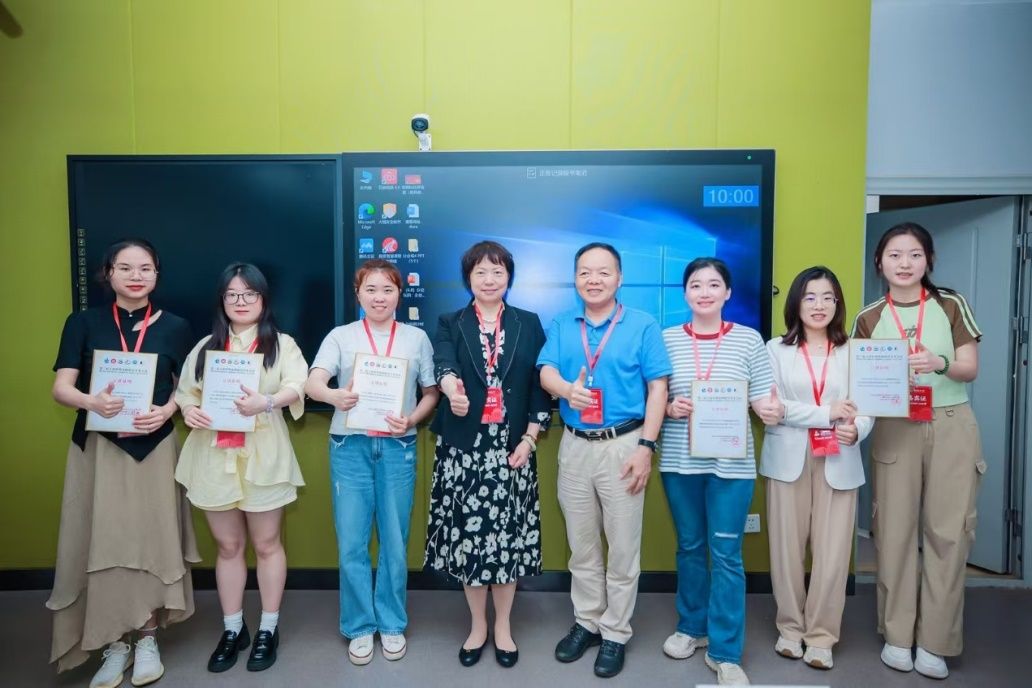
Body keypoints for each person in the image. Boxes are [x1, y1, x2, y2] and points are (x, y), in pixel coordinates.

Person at [48, 238, 198, 688]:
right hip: (100, 449)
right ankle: (113, 642)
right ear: (108, 273)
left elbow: (187, 389)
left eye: (145, 268)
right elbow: (62, 388)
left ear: (156, 275)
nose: (136, 276)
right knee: (104, 540)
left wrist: (167, 411)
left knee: (152, 540)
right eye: (126, 267)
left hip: (155, 448)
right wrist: (90, 401)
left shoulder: (177, 326)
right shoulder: (82, 322)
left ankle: (148, 637)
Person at [852, 222, 983, 680]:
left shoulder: (950, 304)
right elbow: (860, 380)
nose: (904, 263)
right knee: (894, 530)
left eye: (914, 254)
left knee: (949, 533)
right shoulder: (869, 317)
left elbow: (969, 367)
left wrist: (938, 363)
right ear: (879, 263)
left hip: (950, 422)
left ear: (928, 260)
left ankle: (935, 642)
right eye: (894, 255)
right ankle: (897, 635)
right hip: (895, 426)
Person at [538, 242, 670, 679]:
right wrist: (566, 390)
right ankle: (587, 621)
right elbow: (546, 371)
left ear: (619, 277)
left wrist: (646, 448)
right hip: (575, 443)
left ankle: (615, 632)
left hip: (625, 444)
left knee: (623, 546)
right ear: (575, 278)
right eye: (584, 272)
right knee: (582, 544)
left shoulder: (642, 324)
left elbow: (658, 389)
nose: (593, 280)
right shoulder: (563, 323)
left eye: (603, 272)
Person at [175, 263, 308, 673]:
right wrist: (190, 409)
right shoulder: (205, 346)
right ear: (222, 300)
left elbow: (297, 385)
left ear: (263, 299)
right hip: (214, 456)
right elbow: (185, 393)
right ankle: (233, 628)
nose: (241, 301)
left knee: (267, 545)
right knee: (228, 547)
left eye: (249, 294)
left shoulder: (281, 344)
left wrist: (267, 402)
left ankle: (268, 627)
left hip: (263, 456)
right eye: (232, 294)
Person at [305, 259, 439, 666]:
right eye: (371, 289)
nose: (379, 297)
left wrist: (411, 419)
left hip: (398, 446)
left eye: (387, 289)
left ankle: (392, 622)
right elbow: (313, 381)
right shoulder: (340, 336)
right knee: (352, 541)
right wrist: (333, 396)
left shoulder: (416, 338)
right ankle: (360, 625)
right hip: (351, 446)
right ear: (358, 294)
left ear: (399, 294)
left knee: (395, 540)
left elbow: (431, 392)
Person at [425, 241, 550, 669]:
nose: (489, 279)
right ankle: (478, 625)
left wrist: (530, 438)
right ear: (468, 279)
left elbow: (538, 386)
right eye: (480, 272)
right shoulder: (451, 321)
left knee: (507, 542)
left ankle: (504, 627)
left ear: (509, 277)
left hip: (513, 449)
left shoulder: (528, 323)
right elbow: (444, 364)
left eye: (497, 271)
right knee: (471, 542)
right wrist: (452, 390)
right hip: (465, 450)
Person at [658, 257, 781, 686]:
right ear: (685, 293)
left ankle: (726, 651)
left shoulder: (749, 340)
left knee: (727, 554)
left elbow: (763, 398)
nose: (704, 292)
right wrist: (670, 407)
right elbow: (653, 398)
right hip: (679, 462)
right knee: (690, 546)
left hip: (732, 465)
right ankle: (692, 627)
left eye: (714, 284)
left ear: (728, 292)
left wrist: (768, 409)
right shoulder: (666, 339)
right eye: (696, 284)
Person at [760, 266, 872, 670]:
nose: (819, 305)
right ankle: (790, 629)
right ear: (796, 302)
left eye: (828, 297)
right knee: (786, 550)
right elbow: (774, 408)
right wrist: (827, 412)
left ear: (838, 303)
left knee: (833, 552)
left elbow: (868, 404)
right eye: (810, 297)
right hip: (787, 457)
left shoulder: (855, 350)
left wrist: (858, 429)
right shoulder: (775, 349)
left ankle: (822, 636)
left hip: (839, 456)